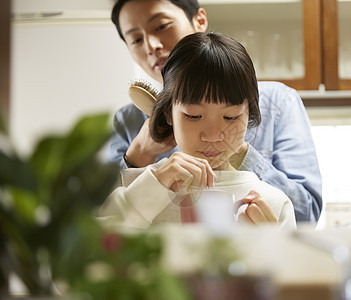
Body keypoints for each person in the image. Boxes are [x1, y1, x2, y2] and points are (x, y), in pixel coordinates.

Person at [105, 0, 322, 223]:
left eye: (161, 26)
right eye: (136, 39)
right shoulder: (126, 121)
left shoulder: (278, 101)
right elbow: (91, 231)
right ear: (169, 114)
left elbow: (306, 214)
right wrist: (140, 156)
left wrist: (239, 152)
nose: (151, 45)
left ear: (199, 20)